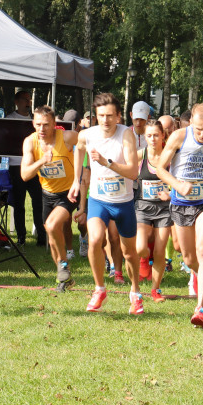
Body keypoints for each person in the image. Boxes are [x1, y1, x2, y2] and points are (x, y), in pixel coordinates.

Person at [155, 103, 203, 327]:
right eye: (197, 128)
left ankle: (200, 309)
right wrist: (177, 184)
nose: (201, 133)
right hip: (181, 202)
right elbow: (160, 168)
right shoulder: (179, 137)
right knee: (188, 257)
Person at [70, 92, 143, 314]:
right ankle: (99, 289)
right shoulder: (88, 134)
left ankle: (135, 292)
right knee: (94, 240)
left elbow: (132, 172)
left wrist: (107, 162)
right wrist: (75, 180)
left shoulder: (126, 135)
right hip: (99, 199)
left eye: (110, 115)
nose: (105, 120)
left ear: (119, 116)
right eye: (101, 115)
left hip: (123, 203)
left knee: (129, 252)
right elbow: (78, 148)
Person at [20, 105, 80, 287]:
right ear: (33, 124)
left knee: (53, 225)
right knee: (51, 236)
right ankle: (65, 276)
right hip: (47, 194)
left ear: (54, 124)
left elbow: (86, 142)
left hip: (69, 192)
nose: (41, 129)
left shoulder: (67, 137)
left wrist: (80, 178)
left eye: (46, 125)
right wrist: (42, 160)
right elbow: (25, 174)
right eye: (38, 124)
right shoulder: (30, 142)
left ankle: (63, 266)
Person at [132, 121, 172, 302]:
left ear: (163, 135)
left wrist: (171, 193)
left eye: (156, 135)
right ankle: (143, 261)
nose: (152, 139)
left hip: (164, 209)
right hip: (143, 207)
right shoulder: (141, 155)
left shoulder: (170, 157)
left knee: (160, 250)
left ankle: (155, 290)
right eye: (149, 135)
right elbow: (125, 165)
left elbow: (180, 178)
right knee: (140, 248)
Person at [4, 88, 45, 248]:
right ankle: (21, 237)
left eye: (29, 100)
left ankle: (41, 237)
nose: (28, 103)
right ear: (16, 101)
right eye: (24, 99)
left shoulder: (34, 121)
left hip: (34, 167)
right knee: (19, 204)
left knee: (38, 202)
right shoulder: (9, 119)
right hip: (16, 166)